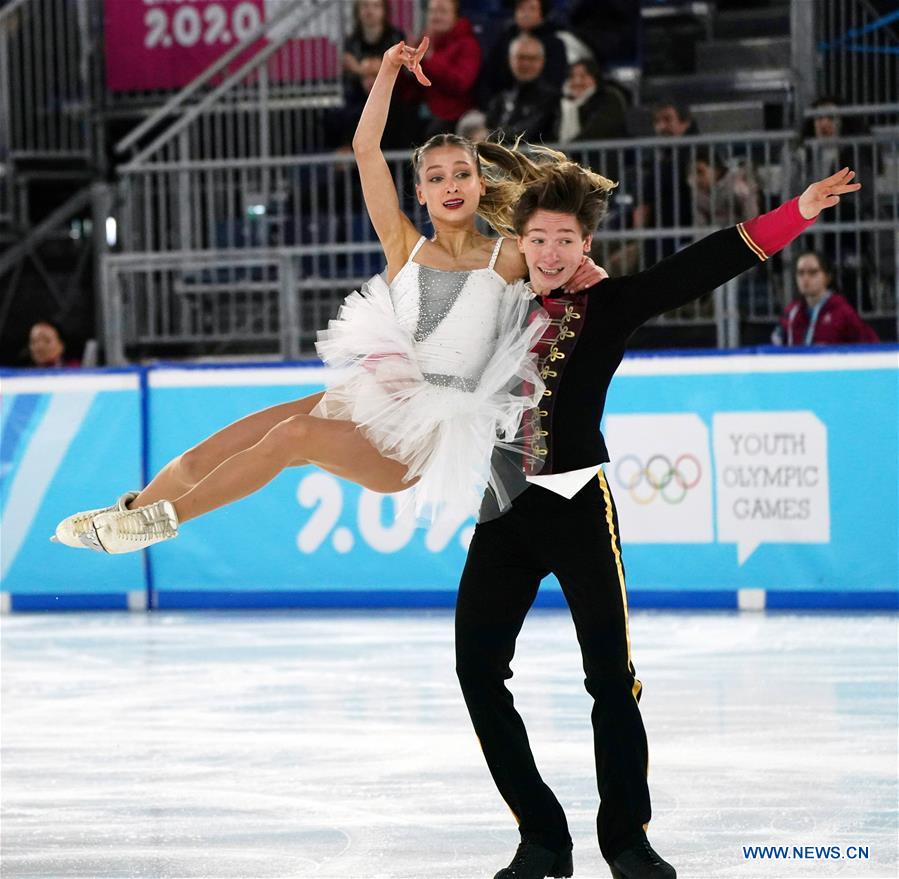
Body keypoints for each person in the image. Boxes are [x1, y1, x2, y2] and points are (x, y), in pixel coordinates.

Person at [454, 160, 861, 879]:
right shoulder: (491, 304)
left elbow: (700, 264)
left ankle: (626, 839)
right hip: (502, 507)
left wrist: (796, 210)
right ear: (519, 240)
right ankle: (541, 836)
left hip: (578, 503)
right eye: (538, 238)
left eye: (565, 239)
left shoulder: (608, 304)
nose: (550, 252)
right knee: (476, 668)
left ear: (585, 245)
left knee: (610, 675)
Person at [52, 39, 602, 555]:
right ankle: (126, 516)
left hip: (426, 433)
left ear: (481, 184)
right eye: (436, 177)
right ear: (421, 192)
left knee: (292, 435)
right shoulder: (403, 247)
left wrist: (593, 272)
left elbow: (562, 256)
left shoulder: (506, 256)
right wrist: (387, 70)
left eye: (462, 174)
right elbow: (366, 148)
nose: (451, 185)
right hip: (375, 398)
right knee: (214, 450)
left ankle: (161, 522)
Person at [773, 250, 879, 346]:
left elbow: (870, 346)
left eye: (813, 272)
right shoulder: (791, 311)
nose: (805, 278)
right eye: (800, 273)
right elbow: (777, 344)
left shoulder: (843, 312)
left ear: (827, 277)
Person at [414, 0, 482, 138]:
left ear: (455, 16)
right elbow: (411, 90)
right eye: (432, 11)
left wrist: (430, 59)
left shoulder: (468, 45)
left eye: (443, 11)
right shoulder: (423, 42)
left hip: (455, 116)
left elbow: (460, 83)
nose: (436, 16)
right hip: (425, 111)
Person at [478, 0, 568, 100]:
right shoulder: (504, 39)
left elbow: (554, 81)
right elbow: (489, 77)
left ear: (542, 13)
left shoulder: (555, 44)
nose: (525, 14)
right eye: (521, 8)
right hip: (501, 104)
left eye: (532, 9)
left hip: (540, 105)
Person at [485, 34, 560, 143]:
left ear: (542, 61)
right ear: (510, 59)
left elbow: (526, 134)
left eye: (532, 58)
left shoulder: (552, 99)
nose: (526, 64)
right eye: (521, 57)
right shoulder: (500, 99)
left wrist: (492, 136)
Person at [558, 58, 628, 144]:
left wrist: (565, 149)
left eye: (583, 76)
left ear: (595, 78)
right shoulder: (560, 103)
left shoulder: (609, 98)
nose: (577, 81)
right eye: (572, 76)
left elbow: (596, 131)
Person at [688, 147, 760, 227]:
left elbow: (752, 220)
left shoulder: (738, 184)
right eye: (692, 173)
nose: (696, 178)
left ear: (716, 169)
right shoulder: (698, 193)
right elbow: (699, 227)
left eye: (700, 172)